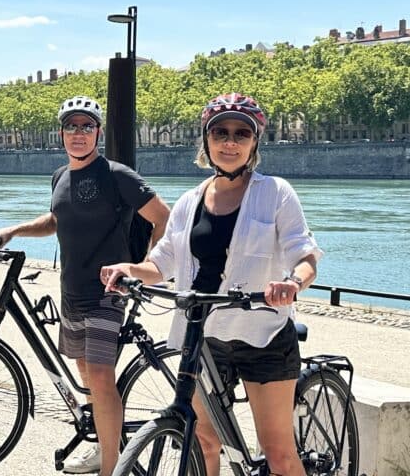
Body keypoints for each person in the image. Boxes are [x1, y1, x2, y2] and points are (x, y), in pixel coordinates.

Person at [100, 93, 322, 476]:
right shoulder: (189, 201)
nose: (230, 142)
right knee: (202, 442)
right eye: (220, 132)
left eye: (241, 133)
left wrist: (291, 282)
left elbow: (304, 254)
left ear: (254, 143)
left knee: (279, 455)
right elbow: (163, 261)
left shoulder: (275, 193)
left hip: (263, 334)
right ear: (206, 141)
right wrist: (132, 270)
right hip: (201, 336)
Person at [0, 95, 170, 476]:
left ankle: (111, 468)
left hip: (108, 293)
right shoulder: (60, 176)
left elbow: (163, 219)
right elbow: (57, 219)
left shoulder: (117, 176)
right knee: (86, 370)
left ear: (98, 133)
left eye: (87, 126)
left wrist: (144, 268)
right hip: (71, 289)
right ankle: (107, 448)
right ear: (62, 133)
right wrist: (13, 230)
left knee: (100, 377)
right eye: (72, 126)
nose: (79, 133)